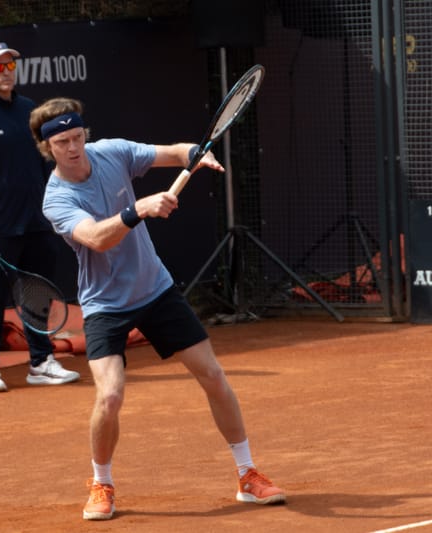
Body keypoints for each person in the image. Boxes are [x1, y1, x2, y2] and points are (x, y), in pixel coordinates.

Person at [30, 97, 285, 520]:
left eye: (77, 137)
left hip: (155, 289)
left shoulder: (111, 152)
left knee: (214, 376)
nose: (74, 148)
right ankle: (102, 483)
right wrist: (139, 209)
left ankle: (248, 475)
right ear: (48, 148)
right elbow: (95, 237)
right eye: (62, 142)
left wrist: (196, 155)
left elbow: (173, 151)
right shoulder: (55, 198)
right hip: (104, 305)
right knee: (109, 396)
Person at [0, 43, 80, 393]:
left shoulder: (30, 112)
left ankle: (41, 362)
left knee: (37, 295)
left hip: (38, 220)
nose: (6, 70)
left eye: (10, 63)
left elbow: (47, 163)